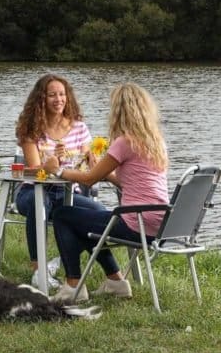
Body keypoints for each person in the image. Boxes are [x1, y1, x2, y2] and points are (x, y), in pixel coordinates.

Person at [44, 82, 169, 303]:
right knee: (86, 222)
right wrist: (99, 168)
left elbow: (89, 180)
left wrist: (59, 170)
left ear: (119, 111)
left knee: (63, 215)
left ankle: (73, 286)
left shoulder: (124, 142)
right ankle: (115, 282)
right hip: (161, 224)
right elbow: (126, 181)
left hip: (136, 223)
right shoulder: (155, 141)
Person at [14, 74, 109, 290]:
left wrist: (90, 159)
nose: (58, 99)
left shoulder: (79, 128)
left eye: (62, 94)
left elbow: (86, 164)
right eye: (52, 95)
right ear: (41, 99)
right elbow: (31, 171)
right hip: (33, 191)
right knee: (42, 206)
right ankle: (38, 271)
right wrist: (45, 168)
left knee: (98, 211)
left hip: (68, 193)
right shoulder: (31, 129)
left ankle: (111, 275)